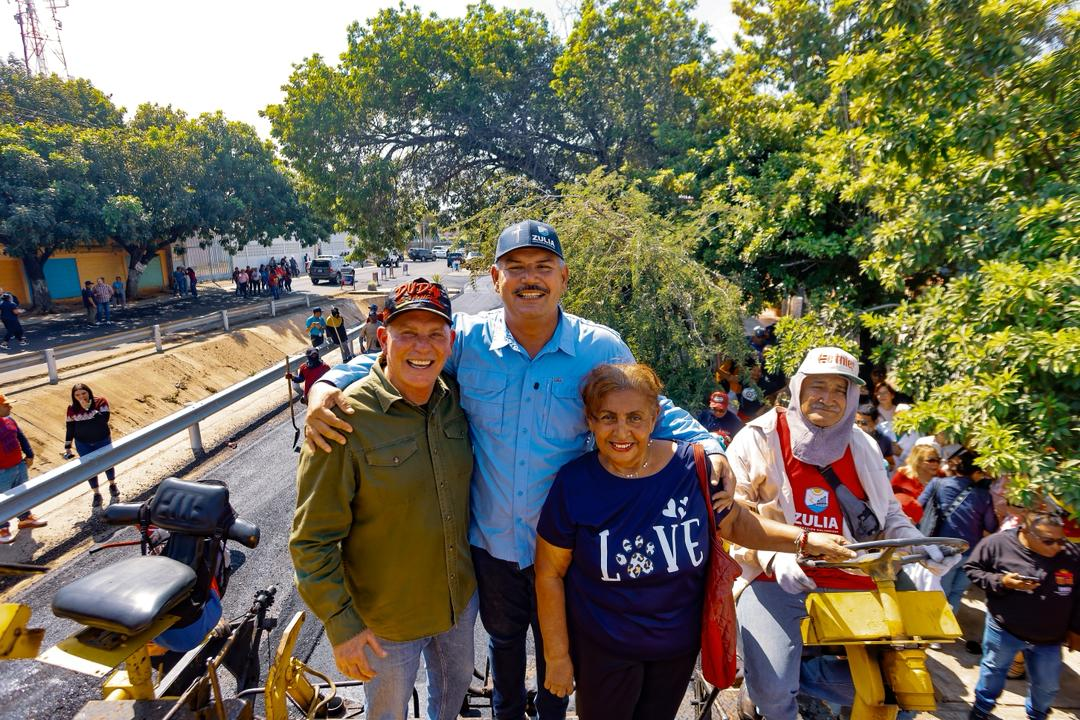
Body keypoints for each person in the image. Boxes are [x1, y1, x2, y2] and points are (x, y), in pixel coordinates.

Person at [304, 221, 736, 720]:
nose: (530, 279)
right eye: (517, 268)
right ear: (495, 277)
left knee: (561, 660)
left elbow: (649, 408)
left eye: (542, 267)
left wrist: (707, 443)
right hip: (493, 549)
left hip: (573, 550)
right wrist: (326, 384)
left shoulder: (601, 349)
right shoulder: (467, 341)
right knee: (503, 652)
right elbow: (403, 355)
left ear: (563, 278)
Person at [535, 363, 853, 720]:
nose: (621, 431)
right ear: (590, 421)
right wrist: (557, 656)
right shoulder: (574, 484)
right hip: (603, 651)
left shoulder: (694, 467)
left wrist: (805, 540)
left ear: (655, 417)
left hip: (675, 650)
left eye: (635, 418)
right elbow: (549, 574)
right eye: (607, 417)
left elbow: (736, 524)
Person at [726, 347, 956, 720]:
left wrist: (921, 545)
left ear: (851, 398)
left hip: (855, 574)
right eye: (818, 386)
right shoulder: (757, 437)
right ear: (798, 389)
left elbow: (888, 513)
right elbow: (733, 511)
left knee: (902, 688)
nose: (828, 399)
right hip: (776, 576)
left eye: (840, 390)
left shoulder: (863, 445)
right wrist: (774, 553)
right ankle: (767, 686)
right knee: (772, 696)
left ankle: (788, 676)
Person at [291, 279, 478, 720]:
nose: (422, 346)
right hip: (385, 625)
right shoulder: (343, 419)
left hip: (457, 605)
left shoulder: (458, 402)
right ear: (383, 338)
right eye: (407, 333)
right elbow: (310, 541)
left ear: (450, 342)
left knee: (449, 704)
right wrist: (341, 625)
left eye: (435, 334)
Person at [965, 510, 1080, 720]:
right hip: (1005, 630)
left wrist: (1076, 628)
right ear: (1026, 533)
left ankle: (1037, 715)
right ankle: (981, 710)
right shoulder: (997, 544)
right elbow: (973, 569)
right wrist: (1002, 582)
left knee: (1047, 686)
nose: (1058, 547)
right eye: (1048, 541)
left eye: (1061, 540)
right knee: (993, 673)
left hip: (1050, 639)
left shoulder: (1071, 555)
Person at [918, 451, 999, 612]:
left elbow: (917, 507)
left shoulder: (937, 483)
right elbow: (991, 526)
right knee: (956, 592)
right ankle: (947, 631)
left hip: (940, 550)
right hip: (970, 552)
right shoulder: (984, 495)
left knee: (938, 591)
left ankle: (933, 630)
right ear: (976, 472)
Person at [0, 392, 46, 544]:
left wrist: (30, 455)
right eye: (6, 405)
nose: (10, 406)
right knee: (2, 501)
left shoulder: (9, 420)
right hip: (2, 472)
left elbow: (21, 437)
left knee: (22, 493)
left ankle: (25, 518)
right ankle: (3, 527)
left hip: (19, 466)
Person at [63, 383, 118, 508]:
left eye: (83, 393)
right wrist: (67, 445)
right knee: (89, 468)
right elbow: (70, 427)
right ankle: (96, 493)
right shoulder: (72, 408)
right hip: (83, 443)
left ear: (89, 392)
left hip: (102, 439)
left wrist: (89, 408)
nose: (81, 397)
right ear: (73, 396)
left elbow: (104, 420)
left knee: (107, 462)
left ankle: (112, 484)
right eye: (77, 395)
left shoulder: (100, 402)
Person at [890, 442, 941, 524]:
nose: (936, 463)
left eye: (938, 460)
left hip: (932, 524)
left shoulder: (941, 476)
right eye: (931, 460)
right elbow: (891, 501)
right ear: (918, 461)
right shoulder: (902, 476)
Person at [855, 402, 897, 469]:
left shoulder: (884, 441)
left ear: (876, 421)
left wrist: (882, 464)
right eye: (856, 422)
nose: (859, 426)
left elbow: (891, 465)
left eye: (864, 423)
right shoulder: (849, 438)